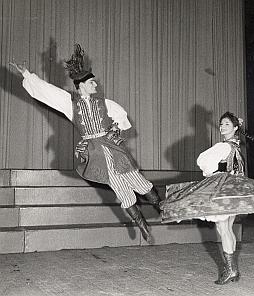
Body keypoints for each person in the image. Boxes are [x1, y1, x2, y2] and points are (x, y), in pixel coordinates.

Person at [10, 44, 161, 243]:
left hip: (113, 148)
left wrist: (116, 127)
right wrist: (28, 75)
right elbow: (49, 93)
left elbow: (121, 115)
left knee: (136, 180)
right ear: (81, 85)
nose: (95, 86)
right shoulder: (70, 104)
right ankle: (142, 224)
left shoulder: (103, 102)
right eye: (92, 83)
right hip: (95, 153)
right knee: (120, 188)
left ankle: (162, 207)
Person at [160, 111, 254, 284]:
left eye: (227, 124)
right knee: (228, 229)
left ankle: (231, 270)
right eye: (221, 124)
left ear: (235, 128)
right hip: (233, 191)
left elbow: (202, 161)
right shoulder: (236, 147)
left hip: (224, 190)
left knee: (223, 229)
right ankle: (232, 270)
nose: (222, 126)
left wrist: (211, 173)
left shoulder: (225, 146)